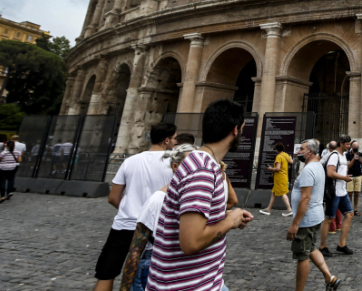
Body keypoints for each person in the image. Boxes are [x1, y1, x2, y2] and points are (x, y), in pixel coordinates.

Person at [146, 100, 254, 291]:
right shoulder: (202, 170)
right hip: (184, 285)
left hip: (205, 281)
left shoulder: (202, 163)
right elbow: (191, 242)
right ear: (235, 130)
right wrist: (230, 221)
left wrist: (228, 217)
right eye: (243, 129)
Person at [93, 123, 177, 291]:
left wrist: (128, 209)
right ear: (166, 140)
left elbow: (113, 197)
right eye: (175, 138)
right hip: (156, 227)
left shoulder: (130, 161)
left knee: (106, 273)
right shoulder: (174, 164)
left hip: (124, 224)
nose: (176, 142)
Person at [119, 144, 197, 291]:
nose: (196, 169)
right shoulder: (157, 200)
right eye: (191, 164)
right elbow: (136, 249)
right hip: (154, 265)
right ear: (175, 166)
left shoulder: (197, 199)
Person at [288, 139, 341, 291]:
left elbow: (305, 198)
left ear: (309, 151)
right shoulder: (318, 166)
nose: (298, 152)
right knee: (310, 248)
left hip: (306, 219)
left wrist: (295, 224)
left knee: (302, 256)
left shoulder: (308, 170)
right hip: (316, 215)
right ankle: (329, 277)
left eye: (301, 149)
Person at [319, 135, 355, 257]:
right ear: (341, 143)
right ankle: (323, 246)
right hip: (334, 192)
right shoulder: (334, 156)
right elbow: (330, 173)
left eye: (349, 144)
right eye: (347, 144)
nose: (349, 146)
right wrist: (344, 178)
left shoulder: (343, 155)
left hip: (342, 191)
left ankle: (341, 244)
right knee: (329, 218)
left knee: (349, 214)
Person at [260, 142, 293, 216]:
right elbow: (291, 161)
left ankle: (289, 209)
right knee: (274, 193)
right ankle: (268, 209)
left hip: (279, 177)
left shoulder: (279, 156)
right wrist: (290, 157)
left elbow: (278, 168)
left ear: (277, 149)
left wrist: (270, 168)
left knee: (282, 193)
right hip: (284, 177)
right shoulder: (285, 155)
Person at [344, 141, 362, 211]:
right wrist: (353, 159)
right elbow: (348, 166)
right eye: (355, 146)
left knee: (357, 193)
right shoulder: (347, 154)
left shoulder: (360, 154)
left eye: (357, 146)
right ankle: (350, 209)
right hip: (350, 175)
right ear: (351, 147)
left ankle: (355, 209)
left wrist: (361, 161)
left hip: (358, 175)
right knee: (350, 193)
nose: (356, 148)